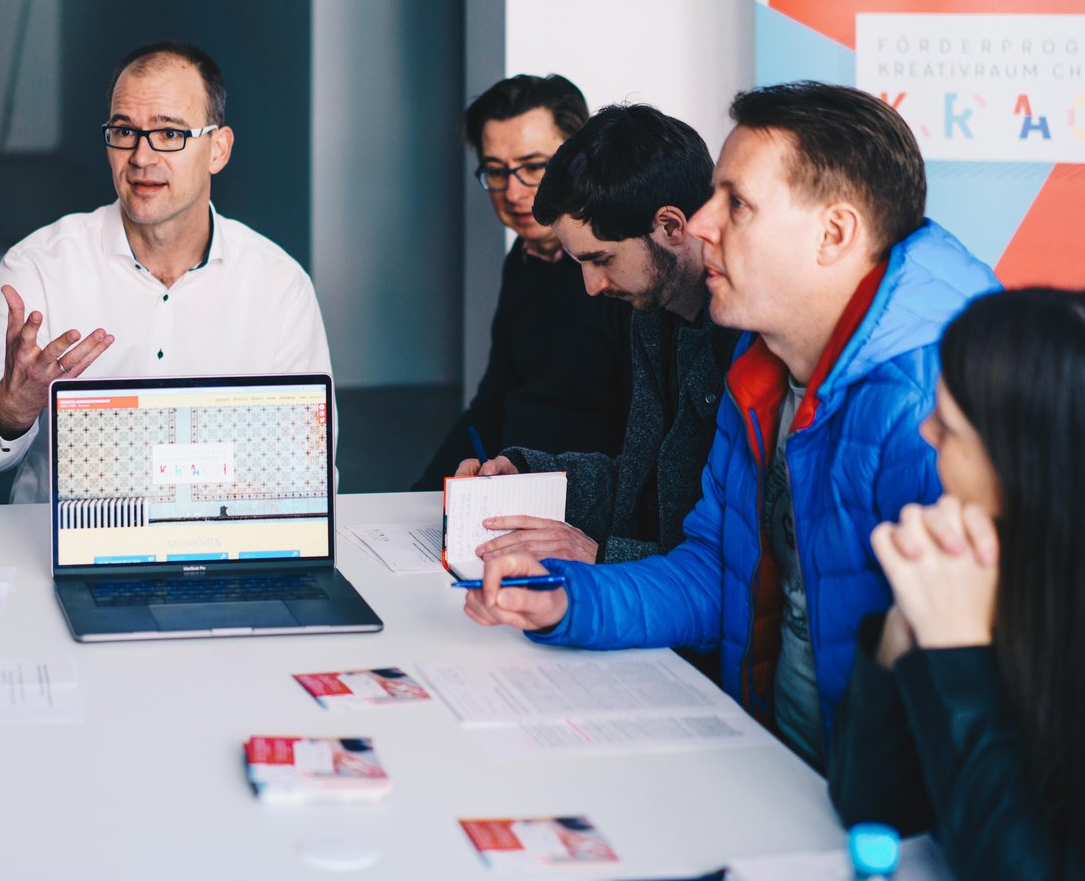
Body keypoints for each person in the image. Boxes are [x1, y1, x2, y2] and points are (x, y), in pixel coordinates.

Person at [463, 82, 999, 770]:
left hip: (855, 803)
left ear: (834, 234)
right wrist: (566, 602)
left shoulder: (938, 410)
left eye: (735, 203)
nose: (702, 222)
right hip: (771, 764)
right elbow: (717, 574)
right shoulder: (762, 361)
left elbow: (974, 722)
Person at [828, 289, 1085, 877]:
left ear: (1033, 476)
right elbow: (875, 812)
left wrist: (958, 657)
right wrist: (905, 632)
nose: (924, 430)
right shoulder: (1018, 573)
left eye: (950, 427)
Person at [0, 41, 334, 503]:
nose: (141, 157)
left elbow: (312, 470)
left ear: (218, 150)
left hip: (220, 539)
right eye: (125, 131)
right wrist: (11, 410)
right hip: (61, 540)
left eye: (169, 133)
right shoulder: (39, 267)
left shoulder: (280, 287)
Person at [453, 103, 739, 568]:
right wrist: (525, 474)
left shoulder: (745, 335)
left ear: (670, 226)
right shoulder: (654, 313)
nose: (591, 286)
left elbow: (734, 563)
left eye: (601, 259)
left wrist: (601, 556)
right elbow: (638, 488)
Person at [411, 75, 631, 490]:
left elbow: (637, 440)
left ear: (578, 161)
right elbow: (493, 401)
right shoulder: (524, 258)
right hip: (507, 486)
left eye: (533, 167)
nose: (512, 192)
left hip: (576, 499)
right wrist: (416, 497)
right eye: (496, 172)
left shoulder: (623, 271)